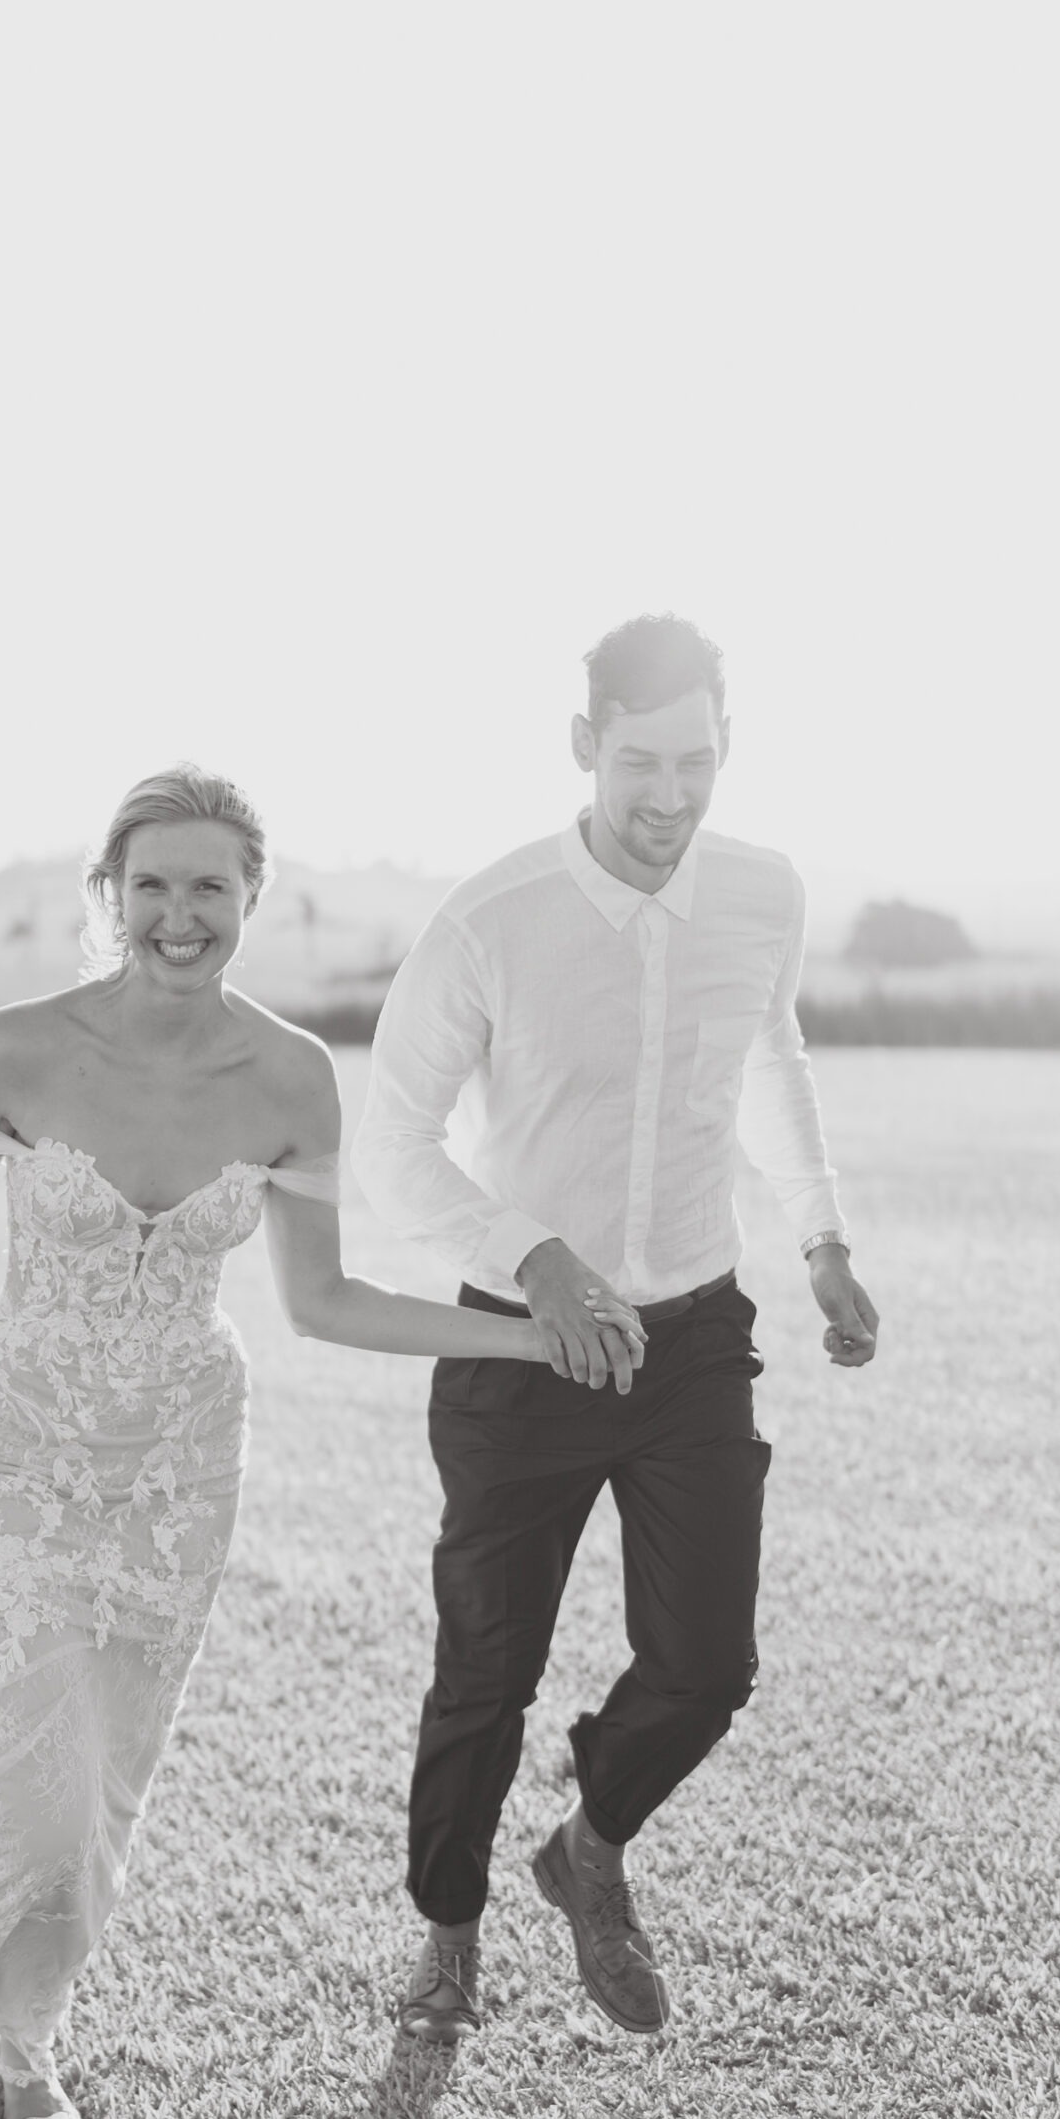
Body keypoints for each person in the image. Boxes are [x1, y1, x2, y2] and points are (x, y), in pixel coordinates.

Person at [0, 766, 644, 2119]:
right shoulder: (23, 1048)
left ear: (248, 900)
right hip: (23, 1447)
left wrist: (531, 1340)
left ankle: (28, 2030)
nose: (179, 914)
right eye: (151, 884)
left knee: (96, 1788)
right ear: (113, 892)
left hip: (179, 1469)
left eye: (208, 887)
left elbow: (323, 1301)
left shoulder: (291, 1076)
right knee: (40, 1799)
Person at [350, 616, 880, 2045]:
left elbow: (769, 1053)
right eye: (639, 760)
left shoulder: (764, 895)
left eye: (695, 760)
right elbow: (390, 1146)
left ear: (727, 749)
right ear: (586, 746)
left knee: (710, 1664)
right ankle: (447, 1945)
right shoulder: (489, 919)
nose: (669, 792)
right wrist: (537, 1262)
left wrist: (821, 1237)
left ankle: (588, 1850)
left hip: (694, 1336)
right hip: (520, 1350)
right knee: (488, 1667)